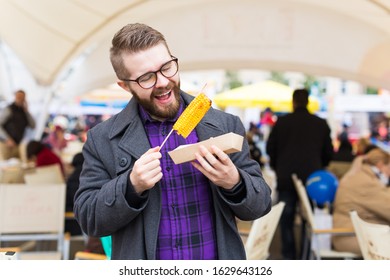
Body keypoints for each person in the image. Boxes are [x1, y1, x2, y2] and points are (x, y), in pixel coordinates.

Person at [74, 23, 272, 260]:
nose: (162, 82)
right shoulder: (102, 139)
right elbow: (88, 219)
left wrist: (234, 182)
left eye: (167, 67)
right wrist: (130, 186)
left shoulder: (226, 126)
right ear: (125, 86)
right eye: (146, 77)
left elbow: (260, 205)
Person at [266, 88, 334, 259]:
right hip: (312, 180)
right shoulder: (320, 123)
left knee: (286, 219)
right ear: (308, 102)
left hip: (286, 176)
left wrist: (277, 166)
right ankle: (305, 254)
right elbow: (329, 153)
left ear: (293, 102)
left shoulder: (281, 122)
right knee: (308, 220)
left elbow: (270, 148)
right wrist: (320, 166)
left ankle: (288, 256)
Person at [332, 148, 390, 255]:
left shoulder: (360, 174)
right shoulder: (366, 182)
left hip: (350, 234)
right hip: (351, 237)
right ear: (381, 165)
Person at [0, 89, 36, 160]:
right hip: (6, 144)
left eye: (22, 98)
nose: (20, 99)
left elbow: (33, 125)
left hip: (18, 144)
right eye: (18, 97)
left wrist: (26, 111)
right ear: (15, 97)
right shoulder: (9, 109)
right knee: (7, 167)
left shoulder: (24, 112)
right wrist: (7, 139)